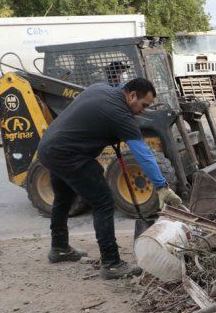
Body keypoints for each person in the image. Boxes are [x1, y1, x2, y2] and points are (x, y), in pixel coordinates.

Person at [37, 77, 183, 279]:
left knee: (64, 198)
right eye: (144, 105)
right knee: (103, 202)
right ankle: (112, 263)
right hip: (68, 155)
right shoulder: (121, 115)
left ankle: (59, 248)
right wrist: (161, 186)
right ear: (132, 95)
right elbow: (143, 154)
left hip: (48, 148)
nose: (144, 110)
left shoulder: (100, 88)